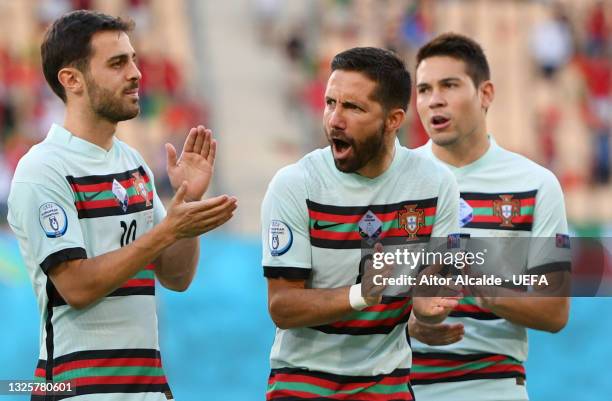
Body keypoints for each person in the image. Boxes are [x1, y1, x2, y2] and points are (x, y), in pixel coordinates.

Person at [7, 10, 237, 401]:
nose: (136, 73)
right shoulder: (43, 169)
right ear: (72, 80)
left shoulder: (132, 163)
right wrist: (168, 230)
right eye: (117, 63)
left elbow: (176, 277)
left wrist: (187, 203)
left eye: (133, 59)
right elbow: (77, 287)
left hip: (147, 388)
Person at [261, 46, 461, 400]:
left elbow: (431, 293)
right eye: (330, 103)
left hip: (387, 383)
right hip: (304, 381)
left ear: (393, 120)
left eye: (353, 107)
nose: (335, 120)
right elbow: (282, 306)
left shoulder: (436, 184)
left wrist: (428, 311)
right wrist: (359, 295)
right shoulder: (295, 184)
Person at [410, 33, 571, 401]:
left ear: (485, 94)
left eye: (449, 85)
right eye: (424, 89)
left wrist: (484, 289)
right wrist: (413, 324)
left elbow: (555, 311)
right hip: (402, 386)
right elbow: (369, 293)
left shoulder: (535, 184)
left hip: (492, 386)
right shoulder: (393, 180)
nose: (434, 99)